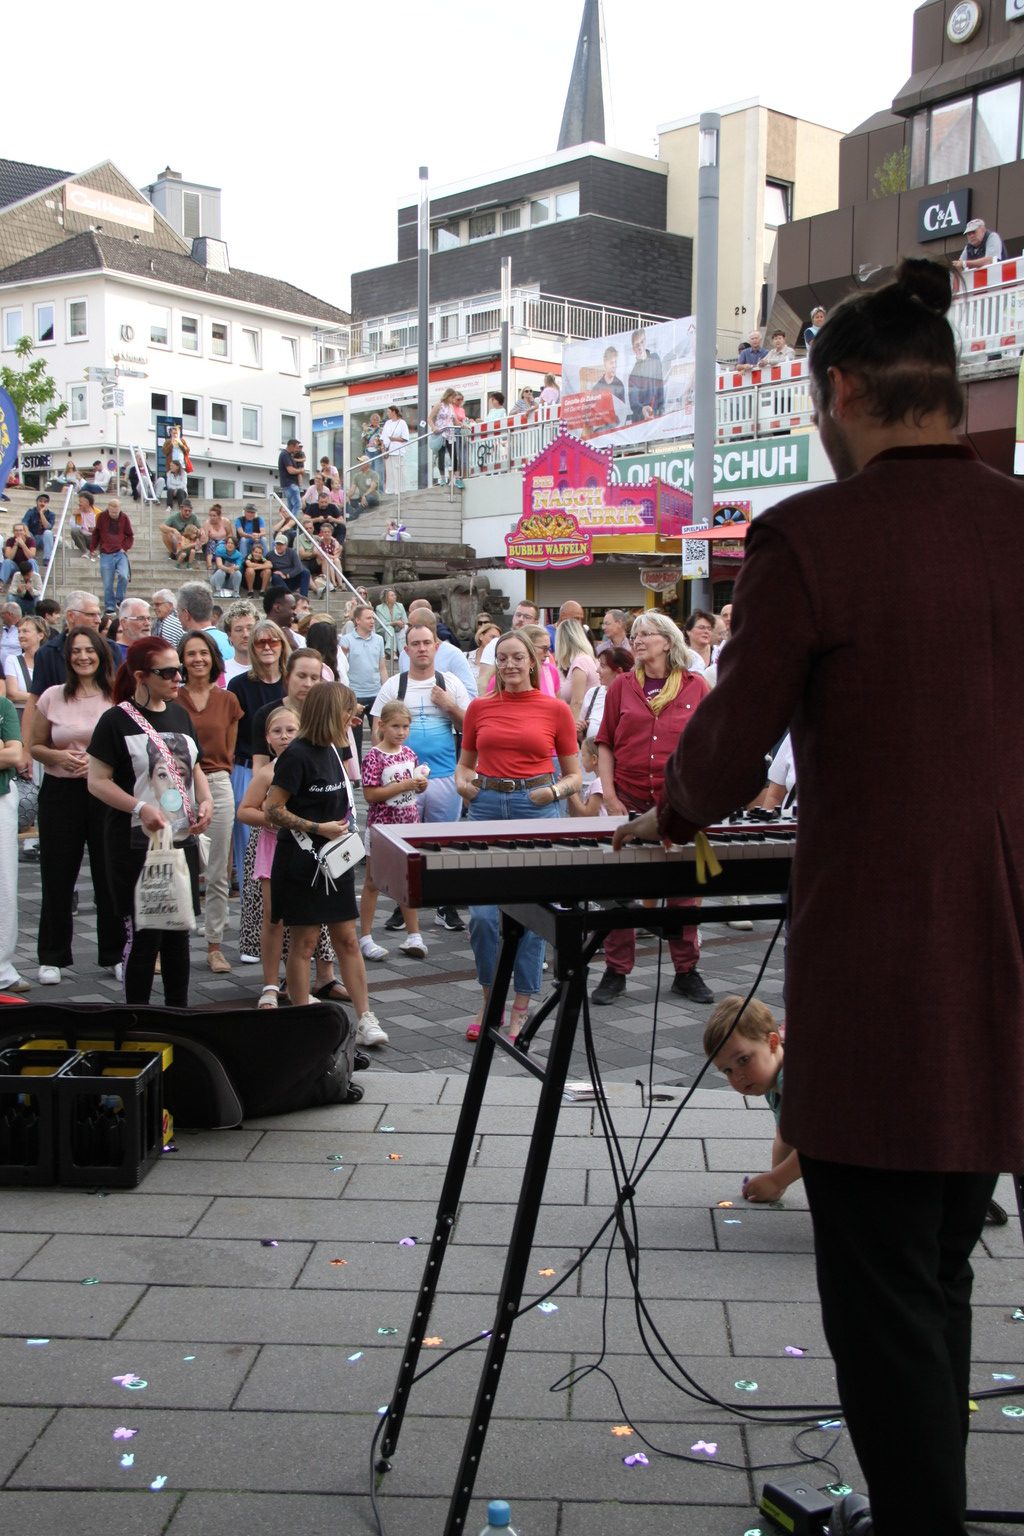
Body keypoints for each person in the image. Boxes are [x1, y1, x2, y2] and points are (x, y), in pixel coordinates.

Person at [615, 257, 1024, 1536]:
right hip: (1010, 958)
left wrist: (672, 811)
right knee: (938, 1264)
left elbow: (725, 751)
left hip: (887, 964)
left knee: (884, 1291)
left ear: (840, 390)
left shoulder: (812, 535)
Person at [456, 629, 580, 1042]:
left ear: (533, 661)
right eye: (502, 657)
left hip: (537, 807)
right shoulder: (479, 707)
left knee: (532, 914)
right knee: (482, 917)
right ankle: (490, 999)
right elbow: (465, 764)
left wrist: (553, 793)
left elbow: (575, 776)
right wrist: (462, 784)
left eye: (516, 657)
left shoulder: (555, 709)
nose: (509, 664)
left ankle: (522, 1005)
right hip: (486, 807)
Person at [594, 612, 713, 1007]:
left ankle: (686, 970)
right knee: (620, 890)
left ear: (668, 641)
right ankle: (616, 970)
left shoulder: (696, 686)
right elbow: (606, 743)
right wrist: (610, 797)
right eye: (635, 634)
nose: (639, 640)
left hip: (677, 806)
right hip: (627, 800)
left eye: (647, 633)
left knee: (682, 893)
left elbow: (707, 748)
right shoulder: (621, 687)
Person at [87, 636, 213, 1005]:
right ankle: (136, 1018)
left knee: (179, 934)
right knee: (144, 935)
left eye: (180, 670)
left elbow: (195, 766)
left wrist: (205, 800)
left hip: (180, 839)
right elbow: (97, 781)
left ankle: (177, 1016)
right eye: (169, 672)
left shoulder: (179, 713)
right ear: (141, 676)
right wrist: (139, 807)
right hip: (134, 844)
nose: (179, 678)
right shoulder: (115, 720)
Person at [264, 681, 387, 1047]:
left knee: (347, 938)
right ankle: (304, 1021)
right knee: (303, 943)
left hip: (335, 861)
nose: (354, 719)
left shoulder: (335, 749)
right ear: (332, 714)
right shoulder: (297, 755)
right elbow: (273, 809)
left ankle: (365, 1018)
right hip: (301, 862)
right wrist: (317, 827)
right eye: (349, 711)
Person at [30, 627, 123, 985]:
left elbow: (127, 746)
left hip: (105, 792)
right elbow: (35, 745)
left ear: (101, 653)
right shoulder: (52, 696)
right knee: (57, 874)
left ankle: (115, 953)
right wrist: (58, 756)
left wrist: (100, 764)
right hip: (60, 793)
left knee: (108, 873)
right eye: (76, 651)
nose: (83, 657)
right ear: (67, 657)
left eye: (89, 650)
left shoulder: (117, 695)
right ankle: (51, 956)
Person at [371, 619, 471, 938]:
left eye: (427, 643)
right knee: (404, 844)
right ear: (406, 649)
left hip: (444, 776)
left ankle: (445, 905)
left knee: (443, 844)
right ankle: (403, 905)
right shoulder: (394, 686)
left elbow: (471, 727)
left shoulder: (449, 682)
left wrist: (449, 706)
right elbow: (376, 732)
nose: (422, 648)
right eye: (415, 644)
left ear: (436, 646)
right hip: (403, 781)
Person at [178, 630, 242, 974]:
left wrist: (217, 775)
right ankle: (164, 943)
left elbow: (228, 750)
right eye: (191, 654)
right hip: (177, 785)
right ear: (181, 660)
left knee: (218, 871)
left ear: (213, 657)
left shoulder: (227, 700)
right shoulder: (172, 699)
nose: (198, 659)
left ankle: (214, 945)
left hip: (217, 783)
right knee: (174, 865)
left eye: (203, 653)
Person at [704, 996, 801, 1203]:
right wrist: (777, 1183)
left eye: (743, 1060)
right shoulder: (771, 1078)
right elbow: (784, 1135)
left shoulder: (793, 1079)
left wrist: (776, 1180)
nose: (738, 1076)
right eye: (727, 1070)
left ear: (772, 1043)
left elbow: (815, 1143)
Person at [237, 702, 301, 1008]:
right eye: (277, 731)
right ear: (267, 738)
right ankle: (270, 985)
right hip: (273, 849)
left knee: (302, 919)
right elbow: (244, 811)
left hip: (304, 850)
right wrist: (272, 818)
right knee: (273, 918)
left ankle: (297, 982)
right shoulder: (267, 772)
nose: (284, 736)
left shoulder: (309, 765)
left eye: (290, 730)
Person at [227, 616, 289, 924]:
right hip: (246, 770)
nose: (267, 647)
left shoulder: (291, 682)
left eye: (272, 641)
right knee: (250, 847)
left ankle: (284, 917)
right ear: (252, 647)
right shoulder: (239, 685)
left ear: (282, 645)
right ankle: (253, 919)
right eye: (261, 642)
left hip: (289, 773)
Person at [359, 700, 429, 961]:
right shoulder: (374, 756)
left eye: (406, 726)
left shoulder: (409, 753)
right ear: (382, 725)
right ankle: (366, 937)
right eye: (396, 726)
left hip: (408, 826)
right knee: (372, 881)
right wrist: (404, 785)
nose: (401, 732)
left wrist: (420, 785)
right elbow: (370, 795)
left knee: (407, 880)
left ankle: (414, 935)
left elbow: (413, 788)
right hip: (382, 828)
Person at [0, 687, 27, 990]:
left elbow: (14, 754)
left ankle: (2, 968)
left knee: (4, 884)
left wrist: (6, 751)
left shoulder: (3, 706)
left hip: (2, 799)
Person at [340, 603, 387, 762]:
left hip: (375, 693)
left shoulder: (379, 639)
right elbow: (342, 668)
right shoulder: (346, 640)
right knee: (355, 737)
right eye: (368, 618)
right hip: (355, 695)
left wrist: (385, 688)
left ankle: (379, 764)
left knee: (379, 734)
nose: (372, 621)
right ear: (358, 620)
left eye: (373, 618)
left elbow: (382, 667)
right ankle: (357, 770)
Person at [577, 644, 631, 745]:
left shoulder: (633, 697)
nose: (597, 670)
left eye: (602, 666)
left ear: (619, 671)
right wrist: (580, 734)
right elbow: (584, 738)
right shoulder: (593, 693)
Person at [89, 498, 133, 613]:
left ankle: (119, 599)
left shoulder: (124, 518)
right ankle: (109, 605)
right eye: (112, 512)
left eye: (116, 512)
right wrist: (93, 548)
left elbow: (129, 535)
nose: (114, 514)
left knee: (124, 575)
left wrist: (125, 547)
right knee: (107, 582)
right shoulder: (102, 517)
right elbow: (96, 533)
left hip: (120, 552)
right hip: (106, 553)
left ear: (119, 510)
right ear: (108, 509)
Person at [554, 617, 599, 723]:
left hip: (581, 724)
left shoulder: (581, 661)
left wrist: (572, 728)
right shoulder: (581, 660)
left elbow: (577, 702)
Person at [177, 581, 233, 664]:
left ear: (186, 614)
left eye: (178, 611)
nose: (177, 616)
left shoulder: (190, 646)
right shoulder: (231, 640)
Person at [5, 614, 45, 710]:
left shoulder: (49, 662)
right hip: (20, 714)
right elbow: (13, 694)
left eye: (25, 631)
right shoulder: (13, 660)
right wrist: (44, 698)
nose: (20, 636)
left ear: (40, 635)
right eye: (19, 632)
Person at [627, 329, 665, 422]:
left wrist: (661, 408)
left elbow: (660, 388)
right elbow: (634, 403)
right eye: (637, 345)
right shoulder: (633, 376)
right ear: (633, 349)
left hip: (657, 417)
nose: (640, 347)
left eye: (642, 342)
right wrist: (642, 410)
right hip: (642, 420)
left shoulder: (655, 359)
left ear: (646, 342)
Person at [381, 406, 410, 494]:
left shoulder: (402, 423)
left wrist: (394, 439)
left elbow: (405, 438)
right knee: (389, 471)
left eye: (389, 412)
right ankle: (390, 490)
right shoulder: (387, 423)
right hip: (388, 451)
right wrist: (382, 448)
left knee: (398, 470)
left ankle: (399, 490)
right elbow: (383, 437)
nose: (387, 414)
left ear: (394, 412)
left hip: (398, 450)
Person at [22, 494, 54, 566]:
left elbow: (48, 527)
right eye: (40, 501)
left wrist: (41, 513)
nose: (42, 503)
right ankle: (30, 556)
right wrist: (28, 534)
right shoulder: (30, 512)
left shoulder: (51, 514)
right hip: (32, 538)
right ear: (37, 502)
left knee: (48, 532)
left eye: (45, 502)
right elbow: (24, 523)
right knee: (24, 531)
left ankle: (47, 559)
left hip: (43, 539)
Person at [375, 589, 407, 659]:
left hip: (397, 628)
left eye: (395, 595)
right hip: (382, 629)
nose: (395, 597)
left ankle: (404, 654)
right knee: (390, 628)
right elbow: (383, 623)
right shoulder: (379, 608)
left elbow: (405, 620)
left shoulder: (400, 606)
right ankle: (393, 652)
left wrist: (401, 624)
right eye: (392, 595)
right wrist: (395, 622)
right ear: (386, 598)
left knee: (404, 629)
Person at [278, 438, 304, 517]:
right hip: (290, 484)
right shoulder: (285, 454)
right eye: (296, 447)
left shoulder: (289, 455)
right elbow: (290, 470)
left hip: (289, 484)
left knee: (291, 507)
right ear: (291, 446)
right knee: (297, 505)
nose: (297, 450)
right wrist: (300, 470)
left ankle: (290, 521)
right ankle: (292, 522)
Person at [201, 504, 232, 570]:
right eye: (210, 516)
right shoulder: (207, 523)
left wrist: (224, 542)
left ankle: (221, 565)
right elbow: (206, 538)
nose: (212, 517)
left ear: (219, 516)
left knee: (222, 544)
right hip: (211, 544)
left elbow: (230, 535)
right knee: (211, 543)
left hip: (223, 542)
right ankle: (209, 565)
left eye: (214, 516)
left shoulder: (226, 521)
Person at [361, 413, 386, 493]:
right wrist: (365, 430)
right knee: (370, 472)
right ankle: (371, 491)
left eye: (377, 419)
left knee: (379, 471)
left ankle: (380, 491)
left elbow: (383, 441)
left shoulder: (381, 430)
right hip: (368, 452)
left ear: (379, 421)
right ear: (371, 420)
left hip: (378, 452)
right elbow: (363, 441)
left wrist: (378, 444)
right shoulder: (367, 429)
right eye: (374, 419)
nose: (375, 421)